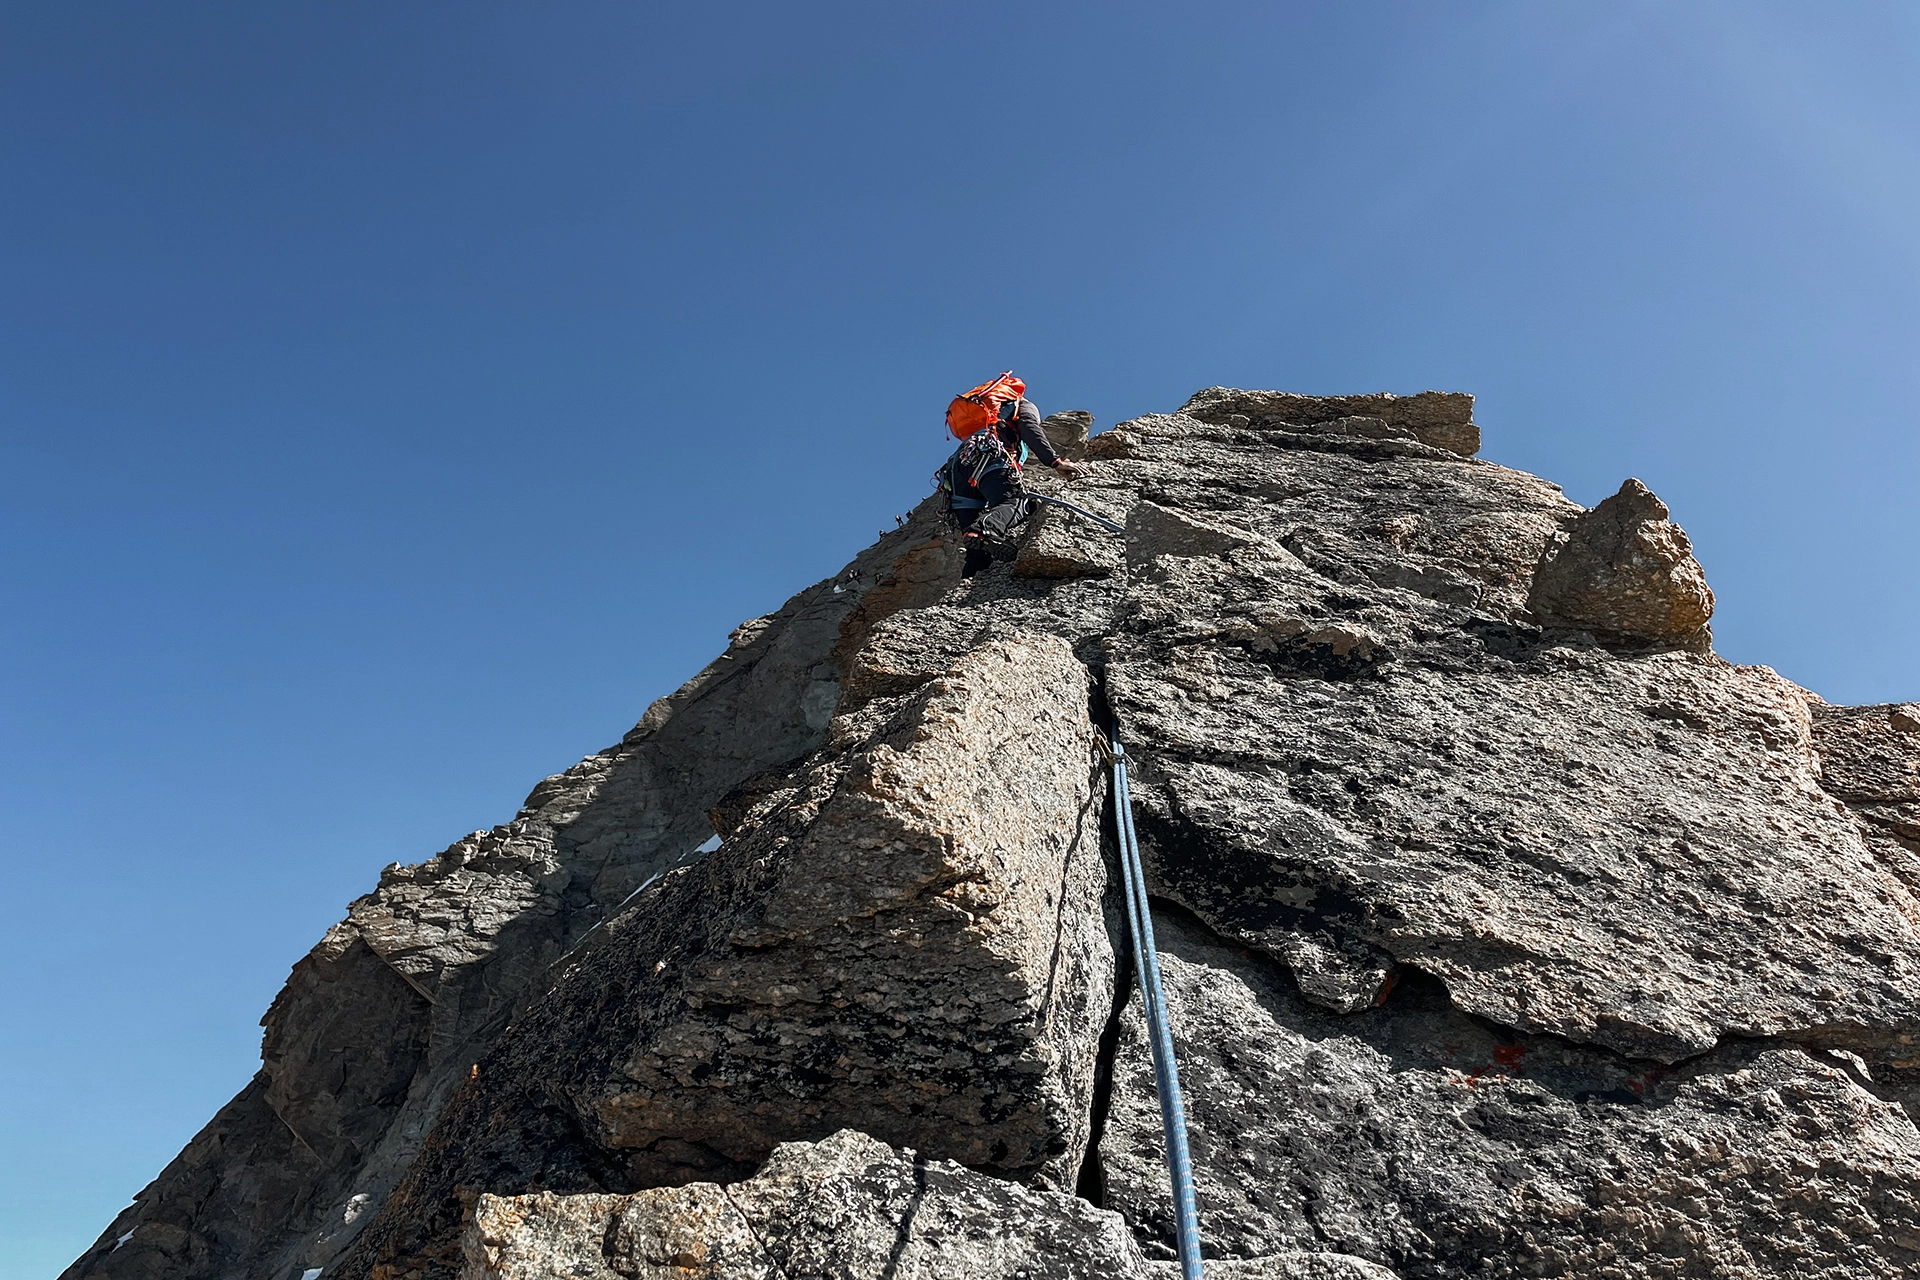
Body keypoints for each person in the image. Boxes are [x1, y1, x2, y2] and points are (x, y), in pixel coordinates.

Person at [944, 392, 1085, 576]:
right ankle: (985, 530)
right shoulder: (1021, 404)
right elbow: (1029, 428)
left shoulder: (987, 416)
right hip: (988, 456)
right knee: (1017, 502)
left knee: (977, 552)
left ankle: (969, 580)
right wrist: (1055, 462)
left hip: (956, 470)